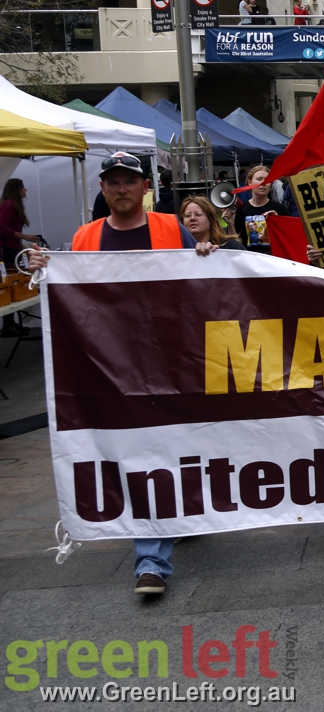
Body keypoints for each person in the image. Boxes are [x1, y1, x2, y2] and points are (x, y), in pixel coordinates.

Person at [26, 152, 215, 596]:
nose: (122, 188)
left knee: (174, 452)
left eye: (130, 181)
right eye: (113, 181)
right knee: (141, 455)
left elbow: (206, 284)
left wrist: (205, 254)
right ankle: (151, 561)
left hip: (170, 363)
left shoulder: (171, 229)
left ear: (145, 187)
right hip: (112, 369)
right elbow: (69, 291)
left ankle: (179, 516)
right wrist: (44, 268)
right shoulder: (85, 237)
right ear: (102, 188)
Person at [0, 179, 39, 336]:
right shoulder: (9, 204)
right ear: (17, 189)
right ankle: (8, 326)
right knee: (10, 283)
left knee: (12, 284)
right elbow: (1, 227)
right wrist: (23, 236)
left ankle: (10, 324)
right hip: (5, 251)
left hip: (10, 249)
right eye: (23, 187)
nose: (25, 190)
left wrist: (20, 244)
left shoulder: (11, 205)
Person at [235, 165, 288, 254]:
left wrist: (277, 221)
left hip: (274, 260)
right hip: (249, 260)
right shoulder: (241, 209)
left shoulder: (280, 209)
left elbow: (288, 239)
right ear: (249, 182)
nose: (263, 183)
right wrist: (229, 223)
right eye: (259, 179)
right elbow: (237, 241)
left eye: (267, 180)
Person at [180, 196, 246, 250]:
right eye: (188, 215)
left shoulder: (229, 246)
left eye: (198, 214)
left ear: (210, 219)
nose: (192, 218)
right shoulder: (178, 247)